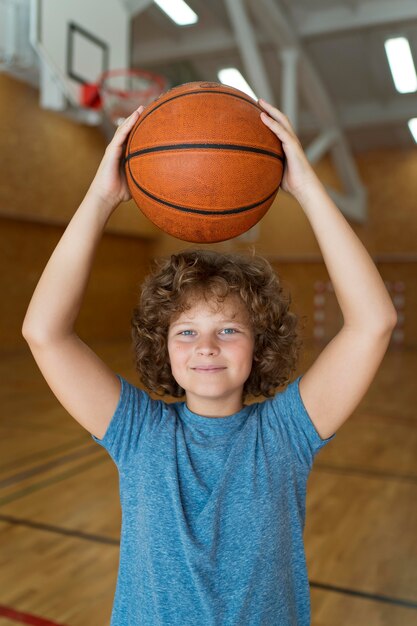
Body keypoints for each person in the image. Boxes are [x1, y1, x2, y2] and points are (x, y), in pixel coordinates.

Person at [22, 98, 397, 626]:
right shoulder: (139, 433)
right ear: (162, 346)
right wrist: (102, 197)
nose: (206, 346)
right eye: (186, 331)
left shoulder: (286, 434)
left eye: (228, 329)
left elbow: (372, 323)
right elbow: (44, 333)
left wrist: (308, 190)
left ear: (260, 343)